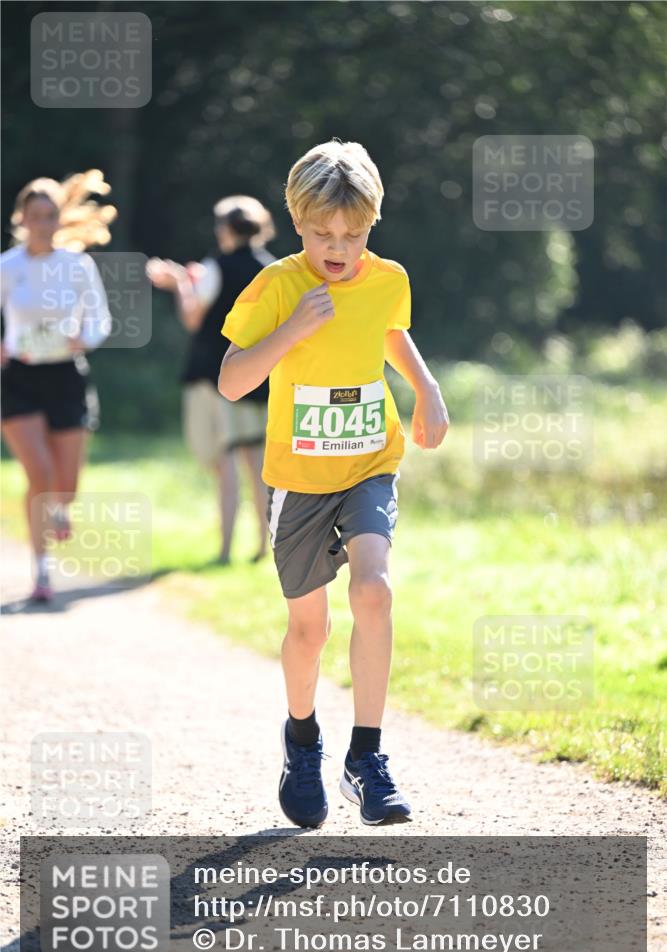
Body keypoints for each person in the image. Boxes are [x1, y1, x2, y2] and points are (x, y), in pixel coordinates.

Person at [218, 139, 449, 827]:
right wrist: (291, 329)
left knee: (374, 588)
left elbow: (390, 331)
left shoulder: (387, 278)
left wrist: (426, 389)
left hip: (367, 462)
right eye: (323, 234)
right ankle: (302, 741)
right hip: (297, 480)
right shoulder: (278, 286)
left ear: (371, 224)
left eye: (352, 234)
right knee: (308, 628)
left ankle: (367, 760)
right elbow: (233, 382)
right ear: (296, 223)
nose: (338, 247)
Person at [1, 171, 115, 601]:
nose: (43, 223)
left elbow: (100, 318)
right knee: (40, 473)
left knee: (65, 484)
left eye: (50, 215)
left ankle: (61, 509)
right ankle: (42, 571)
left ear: (59, 219)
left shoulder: (76, 266)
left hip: (66, 374)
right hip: (21, 378)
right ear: (22, 219)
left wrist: (83, 338)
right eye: (35, 215)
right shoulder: (8, 267)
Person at [146, 196, 275, 564]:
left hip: (216, 376)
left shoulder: (215, 267)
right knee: (257, 464)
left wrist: (179, 285)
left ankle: (224, 548)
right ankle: (265, 544)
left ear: (226, 229)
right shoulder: (272, 270)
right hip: (260, 377)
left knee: (224, 461)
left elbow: (192, 318)